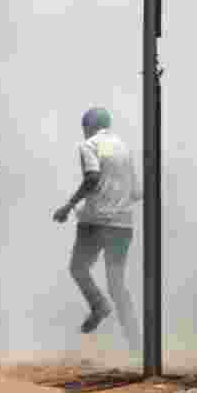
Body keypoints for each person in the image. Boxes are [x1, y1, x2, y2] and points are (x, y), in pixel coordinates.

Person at [53, 107, 142, 351]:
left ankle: (98, 305)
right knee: (117, 284)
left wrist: (69, 205)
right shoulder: (124, 148)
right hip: (123, 225)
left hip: (95, 222)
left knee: (78, 268)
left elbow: (92, 178)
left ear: (88, 126)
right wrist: (116, 201)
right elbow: (137, 192)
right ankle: (136, 341)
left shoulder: (89, 145)